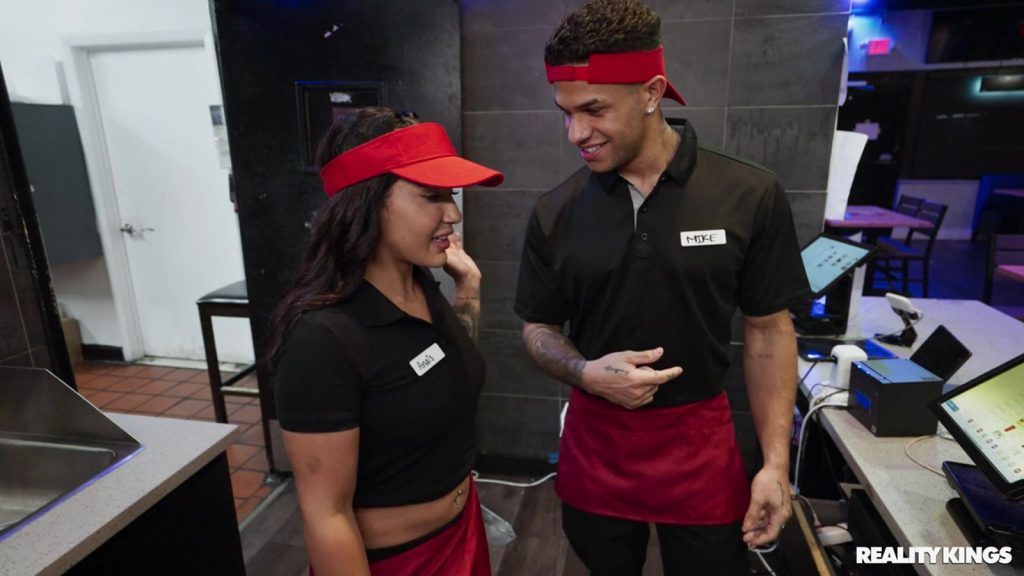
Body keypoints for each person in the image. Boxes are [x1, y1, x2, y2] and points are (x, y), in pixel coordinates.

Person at [513, 1, 812, 574]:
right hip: (596, 445)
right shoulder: (554, 210)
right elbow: (538, 326)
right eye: (566, 112)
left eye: (594, 110)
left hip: (698, 445)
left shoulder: (748, 193)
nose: (575, 132)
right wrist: (583, 372)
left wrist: (775, 464)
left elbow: (769, 331)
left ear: (652, 92)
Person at [270, 107, 503, 576]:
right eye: (431, 196)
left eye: (450, 194)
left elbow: (449, 364)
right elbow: (326, 515)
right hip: (399, 563)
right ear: (366, 201)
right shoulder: (323, 337)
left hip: (462, 533)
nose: (453, 213)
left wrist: (469, 290)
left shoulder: (420, 285)